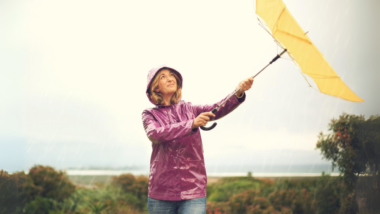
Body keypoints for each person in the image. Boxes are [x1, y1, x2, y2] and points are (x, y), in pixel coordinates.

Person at [142, 65, 253, 214]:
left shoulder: (191, 109)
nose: (170, 78)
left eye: (171, 75)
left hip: (193, 189)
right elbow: (155, 134)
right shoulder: (149, 114)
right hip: (160, 192)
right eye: (162, 76)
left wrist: (238, 92)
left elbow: (217, 108)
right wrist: (191, 124)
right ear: (155, 88)